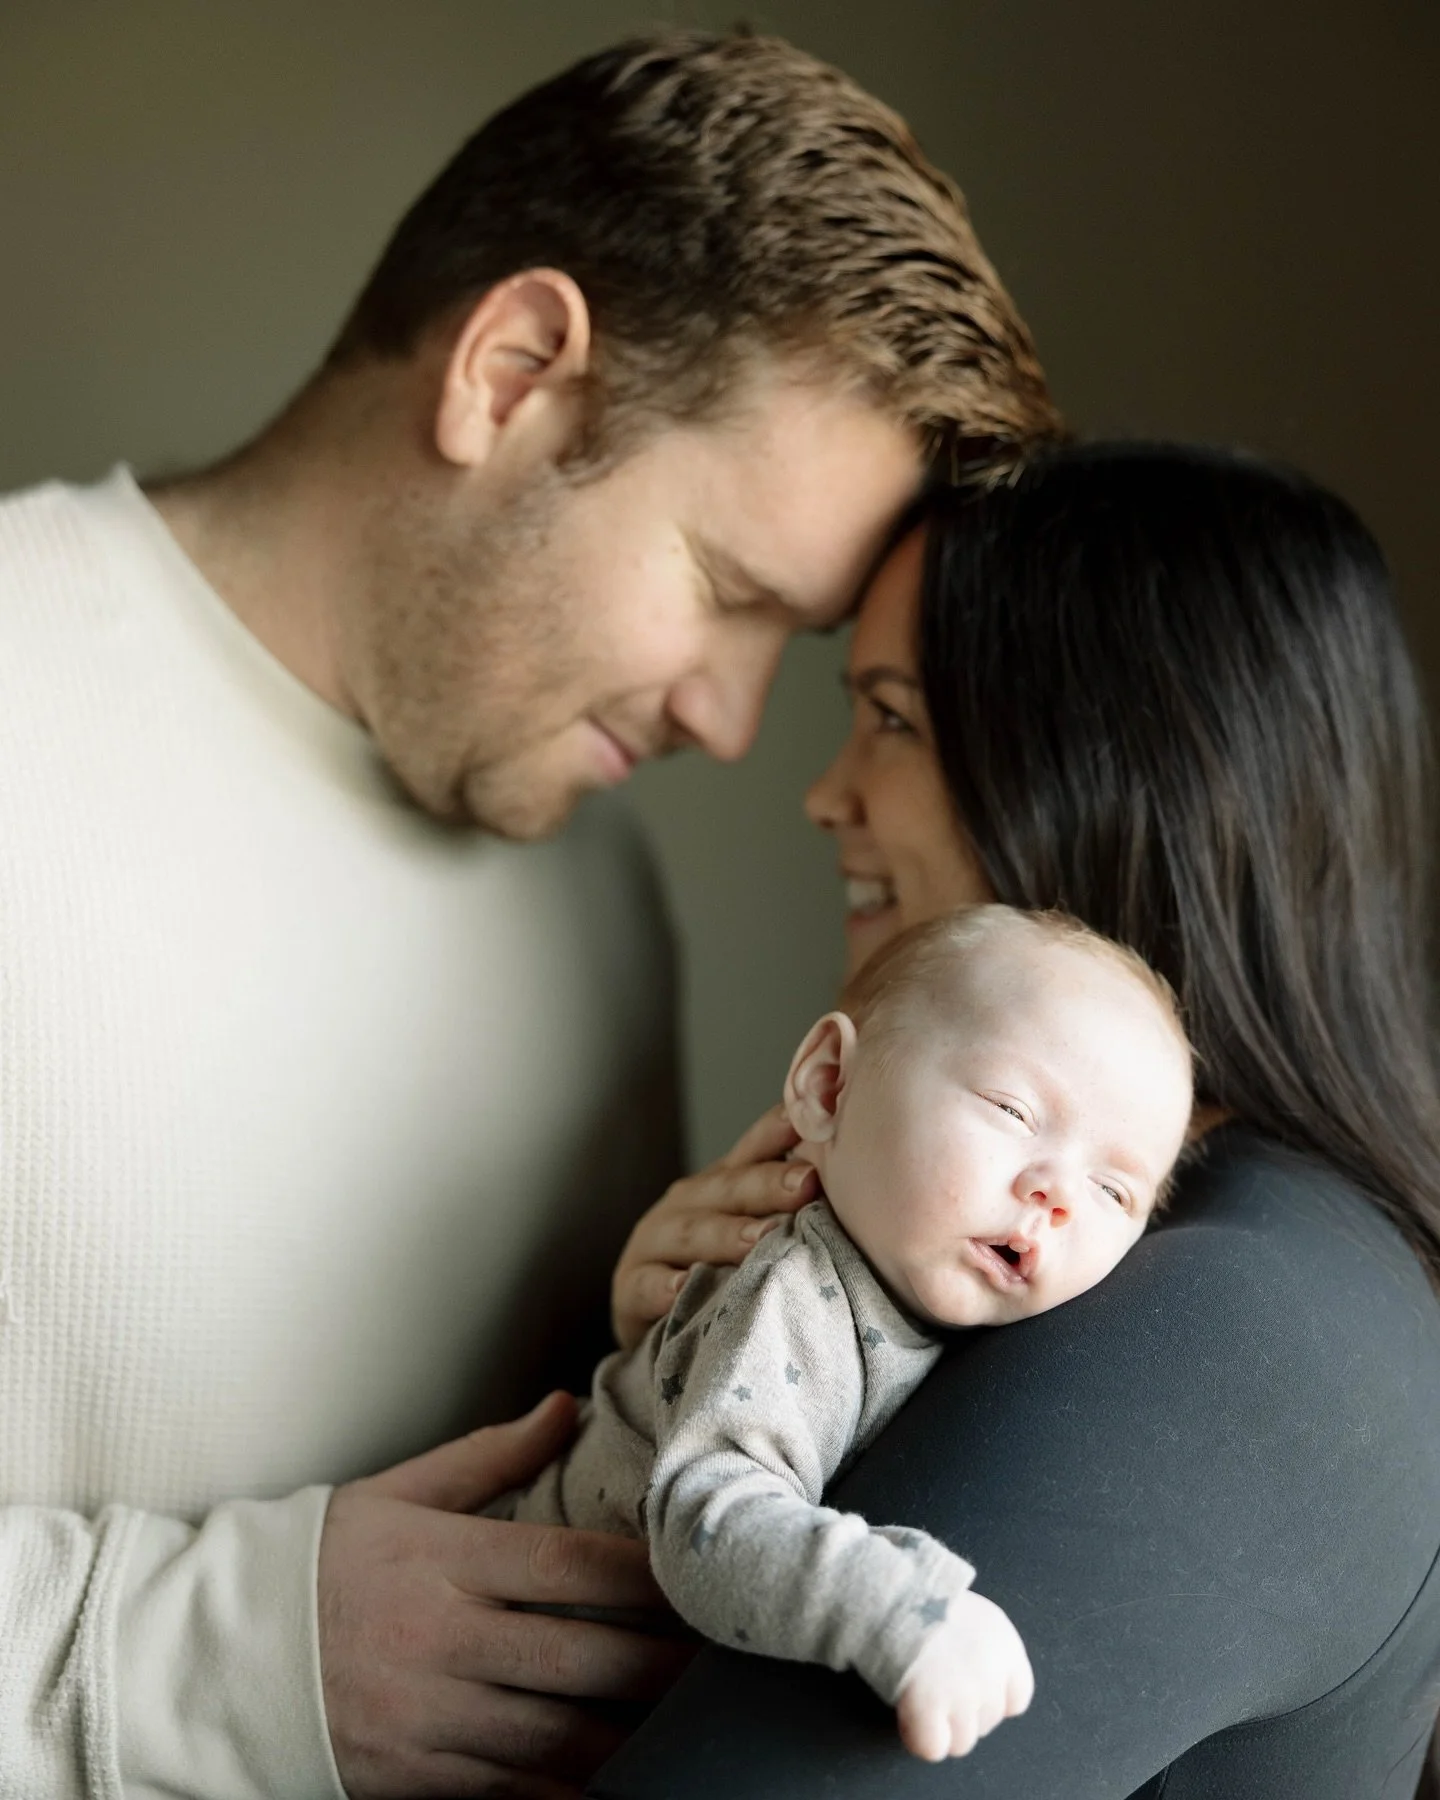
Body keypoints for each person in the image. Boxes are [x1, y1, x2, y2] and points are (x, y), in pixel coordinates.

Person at [0, 29, 1062, 1800]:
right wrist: (201, 1659)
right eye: (722, 589)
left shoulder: (601, 894)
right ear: (511, 376)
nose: (733, 723)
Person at [598, 442, 1440, 1799]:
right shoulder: (1265, 1252)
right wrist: (684, 1354)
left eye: (892, 718)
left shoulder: (1230, 1326)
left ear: (1117, 767)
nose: (825, 791)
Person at [497, 905, 1193, 1762]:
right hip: (499, 1677)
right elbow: (705, 1520)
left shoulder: (957, 1319)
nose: (1056, 1193)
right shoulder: (799, 1291)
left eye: (1114, 1190)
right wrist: (899, 1607)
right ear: (830, 1087)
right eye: (1013, 1110)